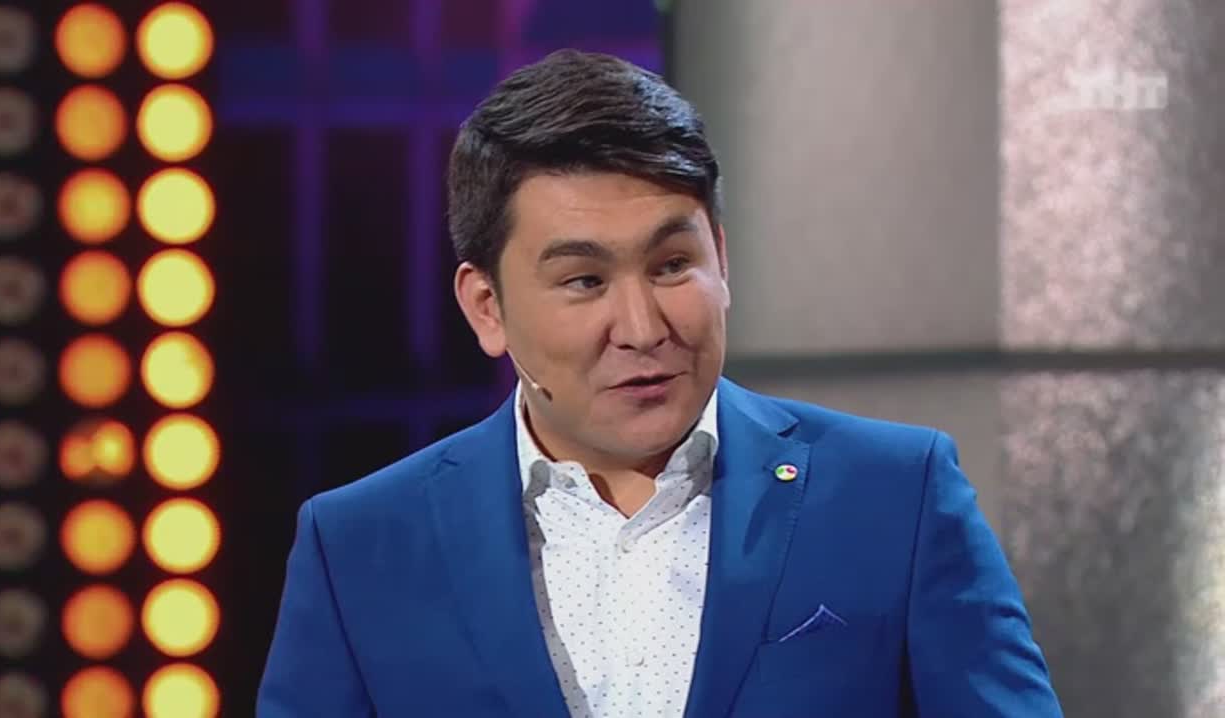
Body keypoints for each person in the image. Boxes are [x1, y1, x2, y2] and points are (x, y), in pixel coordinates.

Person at [257, 49, 1062, 718]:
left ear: (721, 258)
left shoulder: (895, 497)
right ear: (487, 307)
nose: (643, 327)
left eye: (673, 265)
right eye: (584, 281)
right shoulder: (360, 548)